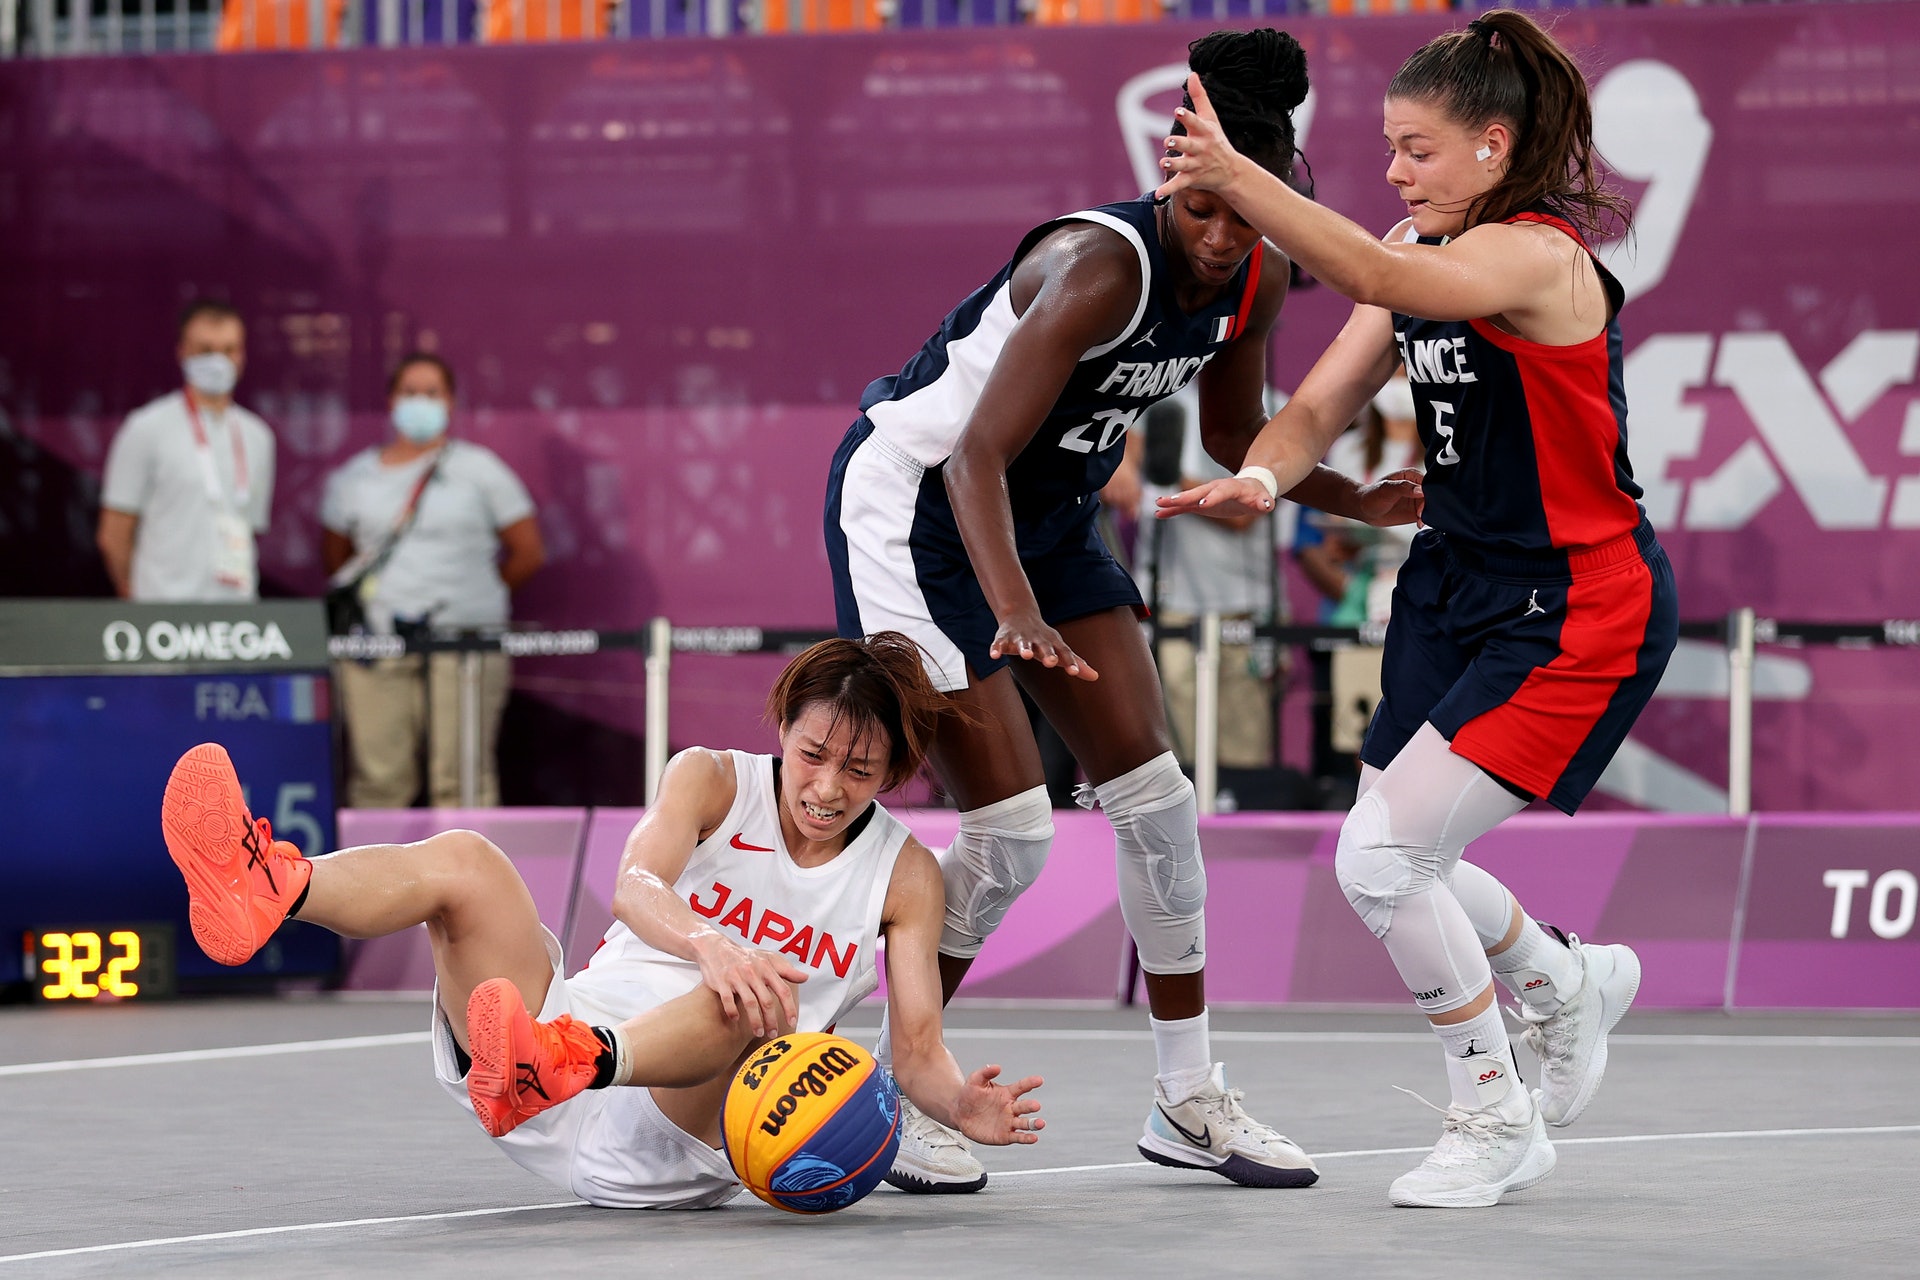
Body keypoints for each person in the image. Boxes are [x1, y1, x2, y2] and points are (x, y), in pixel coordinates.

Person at [825, 29, 1421, 1194]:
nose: (1219, 237)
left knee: (1158, 800)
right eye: (1202, 209)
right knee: (1012, 833)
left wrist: (1351, 498)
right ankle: (881, 1078)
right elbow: (973, 460)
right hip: (921, 508)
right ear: (1170, 181)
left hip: (1042, 513)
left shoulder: (1259, 272)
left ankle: (1187, 1095)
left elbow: (1235, 437)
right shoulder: (1100, 265)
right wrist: (1017, 614)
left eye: (1244, 216)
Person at [1156, 10, 1677, 1208]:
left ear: (1494, 148)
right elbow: (1321, 398)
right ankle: (1563, 976)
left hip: (1576, 603)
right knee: (1399, 847)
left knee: (1383, 859)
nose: (1395, 172)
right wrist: (1267, 474)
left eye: (1418, 150)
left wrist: (1240, 174)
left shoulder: (1535, 258)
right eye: (1387, 147)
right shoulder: (1416, 248)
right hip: (1453, 581)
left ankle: (1496, 1115)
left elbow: (1382, 274)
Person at [158, 633, 1044, 1210]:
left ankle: (570, 1061)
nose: (825, 786)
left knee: (763, 1000)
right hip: (529, 1062)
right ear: (781, 726)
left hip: (672, 1136)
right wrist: (708, 940)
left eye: (859, 769)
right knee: (468, 861)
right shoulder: (710, 778)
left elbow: (917, 1047)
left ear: (893, 771)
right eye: (812, 753)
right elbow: (633, 885)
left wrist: (961, 1103)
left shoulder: (906, 875)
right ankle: (269, 885)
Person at [321, 353, 544, 808]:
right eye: (409, 392)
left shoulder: (482, 470)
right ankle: (374, 881)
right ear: (390, 401)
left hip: (466, 640)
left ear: (450, 403)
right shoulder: (355, 477)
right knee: (379, 781)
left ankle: (468, 881)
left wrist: (474, 598)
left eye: (432, 393)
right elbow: (336, 558)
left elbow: (527, 552)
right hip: (377, 643)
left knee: (461, 780)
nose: (420, 402)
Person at [1294, 373, 1425, 796]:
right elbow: (1320, 540)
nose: (1398, 388)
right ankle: (1368, 808)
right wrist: (1344, 549)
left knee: (1420, 720)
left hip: (1424, 595)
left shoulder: (1446, 449)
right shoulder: (1348, 451)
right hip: (1362, 601)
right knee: (1360, 721)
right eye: (1393, 376)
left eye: (1408, 377)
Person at [97, 299, 275, 602]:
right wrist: (133, 594)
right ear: (183, 351)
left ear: (242, 355)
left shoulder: (258, 436)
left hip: (236, 617)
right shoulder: (146, 428)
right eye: (206, 350)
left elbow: (251, 529)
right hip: (163, 613)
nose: (218, 360)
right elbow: (114, 534)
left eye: (229, 349)